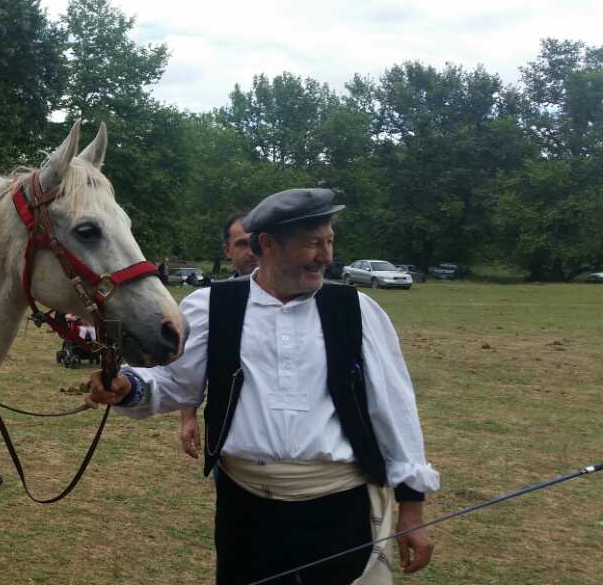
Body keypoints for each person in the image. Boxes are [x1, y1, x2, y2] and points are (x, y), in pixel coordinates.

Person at [89, 188, 438, 584]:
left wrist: (412, 508)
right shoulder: (211, 306)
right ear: (269, 244)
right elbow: (175, 383)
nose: (326, 256)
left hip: (341, 508)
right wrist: (128, 386)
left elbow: (395, 409)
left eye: (329, 242)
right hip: (245, 510)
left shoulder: (356, 310)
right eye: (313, 244)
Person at [179, 210, 259, 458]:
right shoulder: (210, 305)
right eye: (243, 244)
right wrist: (188, 416)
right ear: (227, 250)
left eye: (257, 242)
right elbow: (190, 368)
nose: (252, 251)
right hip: (230, 438)